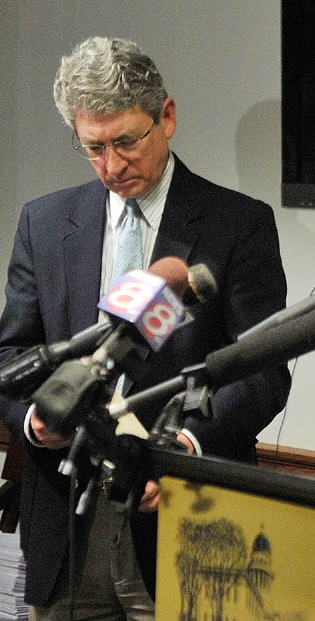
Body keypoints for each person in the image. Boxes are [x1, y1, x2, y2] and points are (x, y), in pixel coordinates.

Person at [0, 37, 291, 620]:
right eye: (94, 148)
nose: (111, 166)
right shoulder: (44, 220)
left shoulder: (239, 224)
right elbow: (12, 356)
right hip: (67, 523)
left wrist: (179, 450)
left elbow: (260, 372)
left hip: (189, 518)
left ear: (168, 117)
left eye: (126, 142)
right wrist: (36, 421)